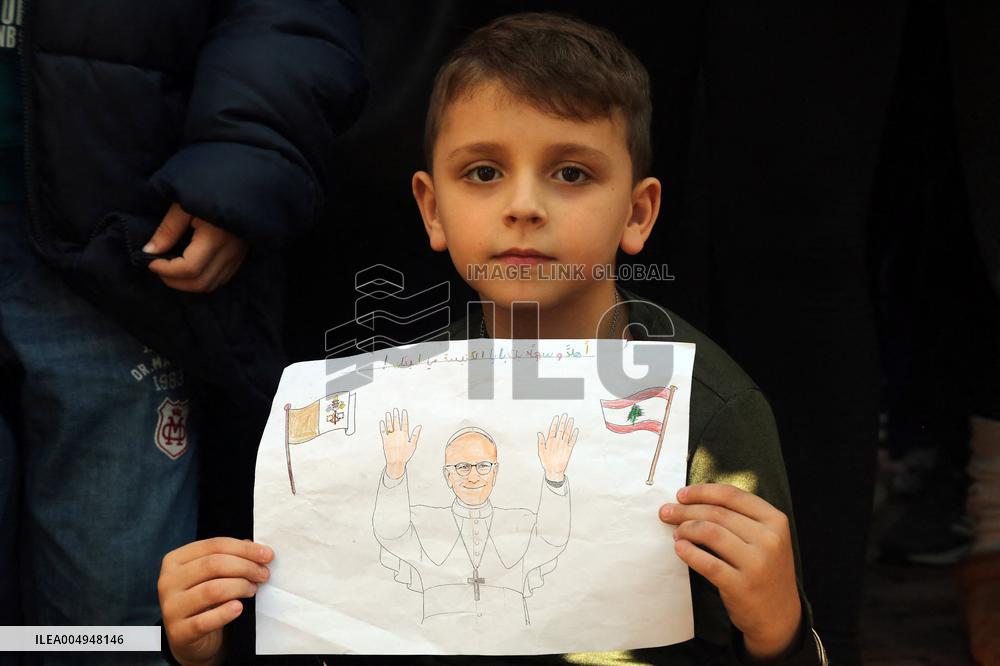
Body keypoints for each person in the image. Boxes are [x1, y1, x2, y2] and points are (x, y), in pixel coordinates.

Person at [158, 12, 827, 665]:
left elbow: (752, 637)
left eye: (571, 172)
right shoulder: (378, 410)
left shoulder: (710, 416)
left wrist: (781, 635)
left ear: (638, 212)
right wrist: (205, 648)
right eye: (483, 172)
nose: (523, 205)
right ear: (431, 208)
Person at [0, 1, 366, 661]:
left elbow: (286, 12)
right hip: (127, 233)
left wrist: (243, 157)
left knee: (109, 620)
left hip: (118, 248)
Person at [374, 416, 575, 624]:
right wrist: (395, 470)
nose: (473, 477)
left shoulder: (521, 522)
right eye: (462, 467)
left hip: (510, 633)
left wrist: (554, 477)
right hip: (441, 637)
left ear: (495, 473)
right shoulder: (422, 520)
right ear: (447, 476)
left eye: (483, 466)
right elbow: (391, 532)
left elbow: (553, 539)